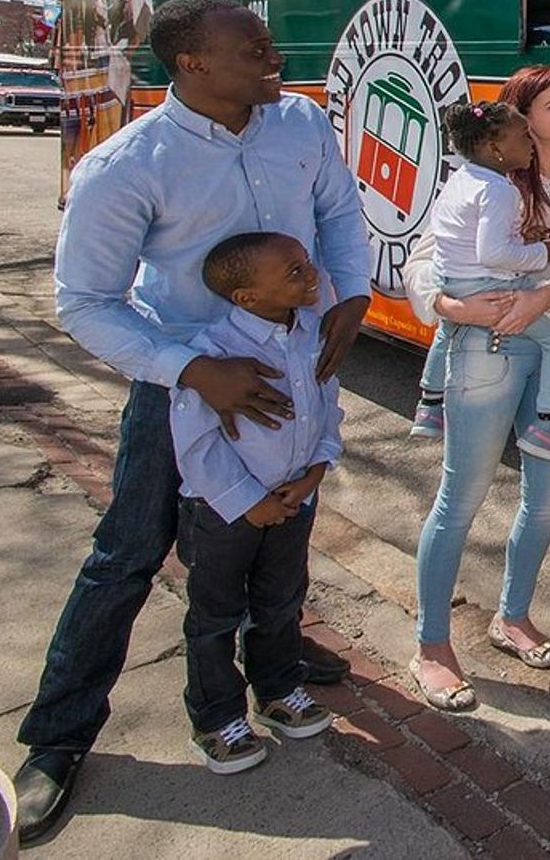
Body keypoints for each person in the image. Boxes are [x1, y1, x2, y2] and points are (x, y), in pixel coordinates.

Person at [11, 0, 369, 845]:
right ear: (192, 65)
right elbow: (85, 304)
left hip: (291, 373)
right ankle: (58, 737)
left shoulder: (302, 125)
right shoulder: (127, 166)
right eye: (249, 44)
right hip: (183, 392)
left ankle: (270, 658)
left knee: (281, 532)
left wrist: (350, 292)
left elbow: (338, 214)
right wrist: (192, 370)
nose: (270, 49)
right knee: (129, 555)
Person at [402, 65, 550, 711]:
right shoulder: (483, 184)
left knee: (544, 502)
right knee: (460, 499)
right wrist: (450, 308)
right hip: (482, 350)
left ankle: (512, 617)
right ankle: (432, 647)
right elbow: (423, 260)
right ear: (518, 121)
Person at [172, 232, 343, 774]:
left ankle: (277, 690)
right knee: (215, 616)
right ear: (247, 297)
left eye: (306, 263)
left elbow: (328, 410)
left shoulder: (313, 334)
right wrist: (248, 502)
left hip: (293, 502)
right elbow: (196, 444)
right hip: (223, 515)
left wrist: (315, 472)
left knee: (281, 601)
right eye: (293, 271)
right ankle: (216, 718)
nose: (310, 273)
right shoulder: (214, 352)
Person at [414, 100, 550, 463]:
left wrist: (522, 237)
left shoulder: (463, 178)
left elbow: (459, 236)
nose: (531, 140)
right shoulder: (500, 190)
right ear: (494, 148)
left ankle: (429, 405)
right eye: (523, 135)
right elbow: (493, 254)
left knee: (448, 328)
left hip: (452, 279)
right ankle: (547, 426)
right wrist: (545, 250)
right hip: (487, 287)